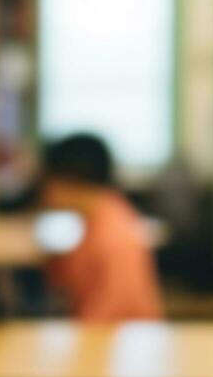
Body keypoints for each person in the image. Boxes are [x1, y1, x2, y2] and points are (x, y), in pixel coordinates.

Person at [38, 133, 162, 322]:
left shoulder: (113, 234)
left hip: (124, 344)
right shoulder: (102, 216)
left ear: (69, 180)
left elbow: (108, 315)